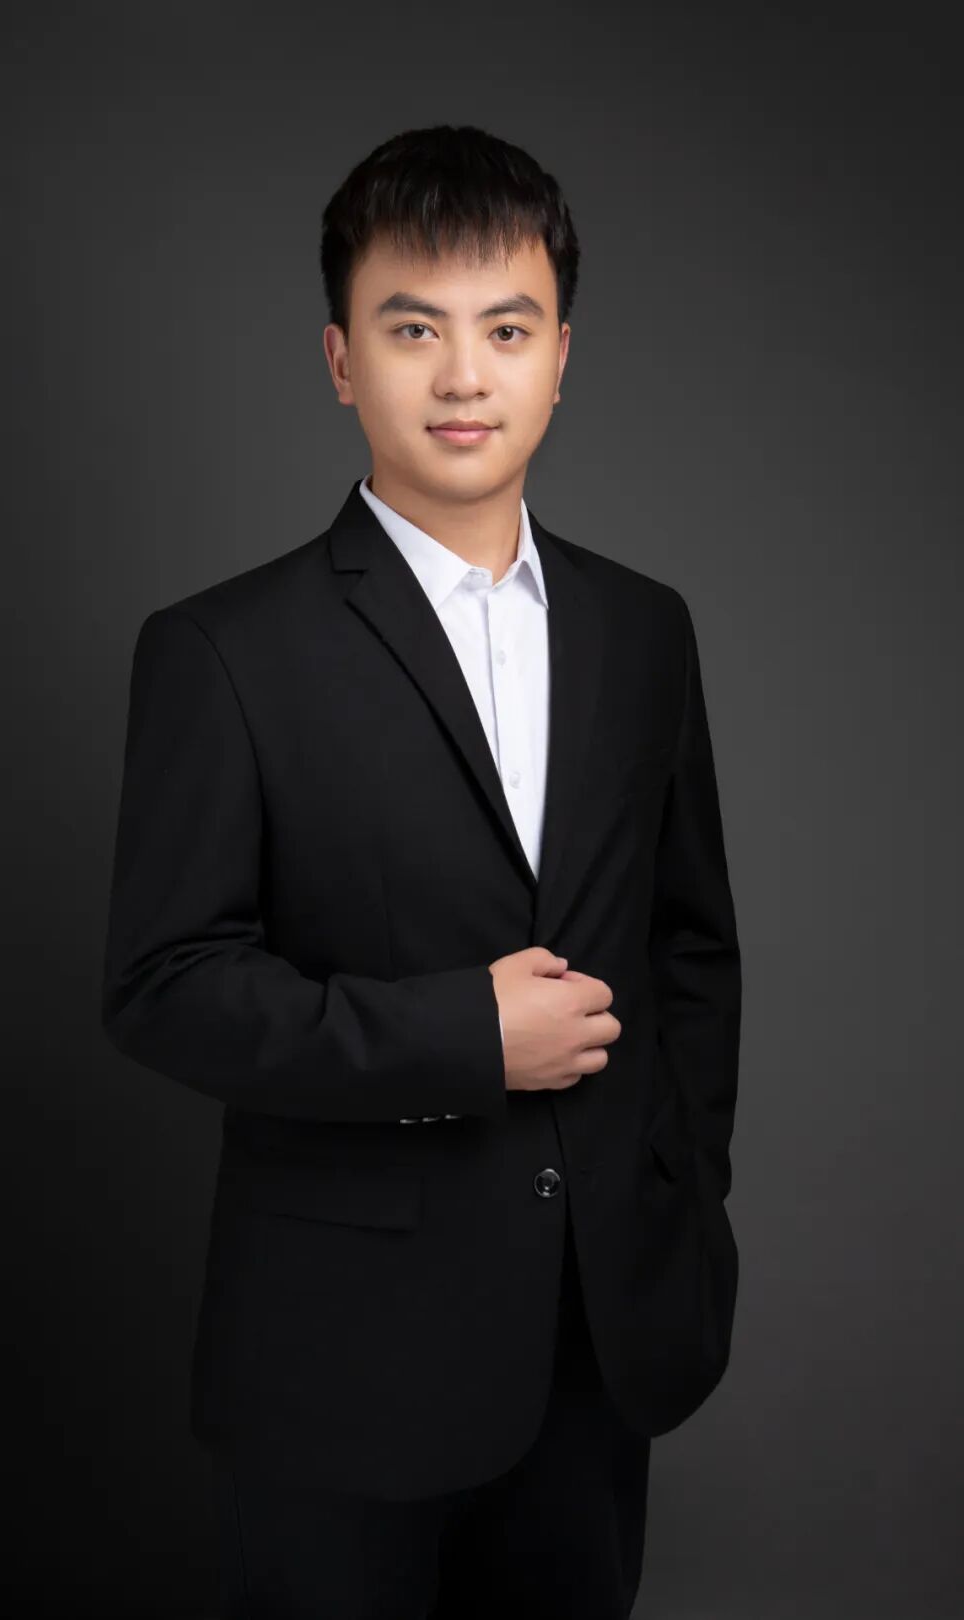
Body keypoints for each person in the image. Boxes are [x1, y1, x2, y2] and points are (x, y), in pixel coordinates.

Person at [101, 121, 742, 1620]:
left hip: (600, 1332)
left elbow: (692, 943)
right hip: (342, 1358)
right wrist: (465, 1035)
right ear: (342, 359)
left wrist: (680, 1191)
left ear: (562, 357)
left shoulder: (646, 628)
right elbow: (165, 985)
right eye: (413, 329)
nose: (464, 376)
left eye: (506, 330)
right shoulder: (222, 650)